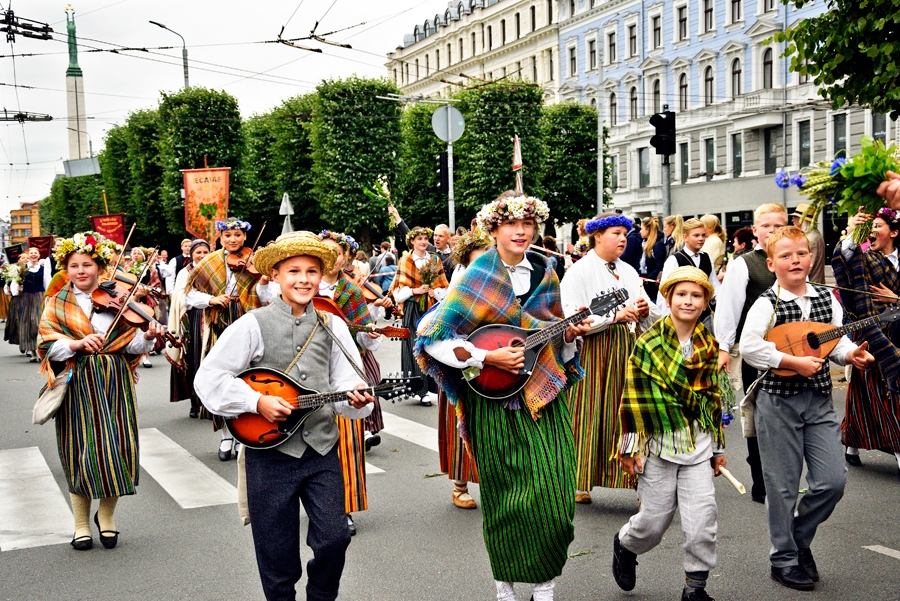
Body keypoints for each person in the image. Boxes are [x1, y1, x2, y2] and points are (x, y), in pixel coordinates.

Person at [417, 191, 591, 601]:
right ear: (493, 229)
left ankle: (545, 583)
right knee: (504, 498)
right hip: (493, 402)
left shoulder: (547, 272)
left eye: (528, 224)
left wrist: (568, 336)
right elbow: (435, 338)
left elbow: (552, 336)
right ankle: (506, 586)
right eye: (512, 224)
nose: (521, 231)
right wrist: (486, 355)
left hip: (544, 398)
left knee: (556, 492)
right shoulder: (477, 275)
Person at [194, 231, 374, 601]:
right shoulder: (252, 324)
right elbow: (208, 378)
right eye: (294, 271)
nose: (304, 279)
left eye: (312, 271)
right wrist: (256, 403)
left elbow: (347, 383)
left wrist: (357, 401)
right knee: (276, 554)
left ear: (322, 275)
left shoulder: (333, 324)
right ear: (275, 275)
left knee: (334, 538)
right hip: (269, 454)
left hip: (321, 450)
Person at [740, 226, 873, 591]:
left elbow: (836, 338)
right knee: (781, 487)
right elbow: (750, 347)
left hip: (817, 400)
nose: (794, 260)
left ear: (811, 258)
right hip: (777, 401)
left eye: (801, 253)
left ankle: (797, 538)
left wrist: (852, 354)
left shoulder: (827, 298)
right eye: (785, 255)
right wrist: (791, 360)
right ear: (772, 263)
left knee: (832, 480)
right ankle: (783, 559)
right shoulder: (767, 302)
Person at [37, 232, 165, 551]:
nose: (81, 271)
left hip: (114, 381)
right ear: (65, 270)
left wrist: (149, 337)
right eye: (74, 265)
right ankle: (81, 523)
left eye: (88, 264)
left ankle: (105, 517)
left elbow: (131, 344)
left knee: (118, 449)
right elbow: (45, 344)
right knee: (79, 450)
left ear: (100, 268)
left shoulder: (118, 300)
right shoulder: (56, 303)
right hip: (77, 381)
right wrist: (76, 344)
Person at [612, 267, 726, 601]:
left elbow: (712, 400)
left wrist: (718, 447)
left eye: (696, 295)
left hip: (699, 449)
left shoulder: (708, 344)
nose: (688, 301)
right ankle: (625, 544)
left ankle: (695, 588)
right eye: (681, 294)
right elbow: (632, 399)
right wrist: (630, 448)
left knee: (702, 520)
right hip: (658, 447)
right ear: (668, 298)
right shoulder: (647, 344)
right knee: (652, 523)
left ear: (705, 303)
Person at [561, 213, 660, 502]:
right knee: (590, 413)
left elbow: (651, 310)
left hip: (630, 348)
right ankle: (580, 479)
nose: (622, 238)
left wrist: (644, 311)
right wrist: (613, 317)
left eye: (624, 234)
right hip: (595, 352)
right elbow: (573, 318)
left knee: (631, 414)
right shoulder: (579, 273)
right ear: (597, 236)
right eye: (616, 233)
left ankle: (638, 483)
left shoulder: (628, 271)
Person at [714, 203, 787, 503]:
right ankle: (761, 480)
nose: (772, 230)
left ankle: (783, 476)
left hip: (790, 348)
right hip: (754, 350)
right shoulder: (745, 263)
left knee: (785, 415)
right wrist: (723, 345)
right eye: (766, 226)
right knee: (758, 415)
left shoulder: (791, 259)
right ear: (755, 230)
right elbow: (729, 307)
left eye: (779, 225)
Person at [186, 217, 274, 460]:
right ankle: (226, 436)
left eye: (237, 235)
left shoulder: (255, 261)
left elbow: (266, 297)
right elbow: (188, 294)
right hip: (220, 325)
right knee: (221, 379)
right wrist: (211, 300)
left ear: (245, 237)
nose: (233, 240)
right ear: (220, 238)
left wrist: (264, 281)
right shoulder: (210, 261)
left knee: (251, 380)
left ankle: (247, 434)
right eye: (228, 236)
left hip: (251, 322)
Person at [318, 230, 383, 535]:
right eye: (326, 251)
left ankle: (343, 507)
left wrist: (369, 335)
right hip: (307, 372)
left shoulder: (353, 292)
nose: (333, 257)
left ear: (345, 257)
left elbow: (364, 339)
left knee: (348, 444)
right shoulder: (305, 284)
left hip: (343, 370)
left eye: (338, 252)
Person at [832, 208, 900, 478]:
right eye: (869, 227)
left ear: (894, 232)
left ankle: (850, 441)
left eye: (878, 226)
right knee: (884, 392)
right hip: (872, 334)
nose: (872, 232)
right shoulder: (866, 256)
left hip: (899, 333)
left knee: (863, 395)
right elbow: (844, 257)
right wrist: (855, 230)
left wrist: (896, 300)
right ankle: (897, 447)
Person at [430, 228, 492, 509]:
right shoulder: (459, 289)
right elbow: (437, 329)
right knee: (461, 420)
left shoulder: (497, 282)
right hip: (461, 362)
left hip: (492, 359)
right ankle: (459, 484)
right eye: (476, 261)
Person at [387, 225, 449, 405]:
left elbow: (444, 288)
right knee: (413, 346)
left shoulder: (435, 260)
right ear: (412, 241)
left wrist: (434, 293)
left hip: (430, 308)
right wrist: (416, 290)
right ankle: (419, 389)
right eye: (419, 239)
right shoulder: (405, 261)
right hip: (412, 309)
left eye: (425, 238)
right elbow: (397, 294)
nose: (423, 242)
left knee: (432, 345)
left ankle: (434, 387)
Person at [166, 239, 211, 417]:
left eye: (205, 252)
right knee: (193, 360)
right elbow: (179, 296)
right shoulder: (185, 272)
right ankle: (194, 401)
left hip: (212, 317)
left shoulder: (215, 269)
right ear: (191, 254)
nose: (201, 256)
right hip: (192, 319)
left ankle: (210, 404)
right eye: (198, 252)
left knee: (210, 360)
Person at [658, 219, 720, 328]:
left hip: (704, 314)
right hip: (682, 314)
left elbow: (714, 286)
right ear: (685, 237)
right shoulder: (674, 259)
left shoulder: (706, 258)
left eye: (703, 235)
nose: (701, 239)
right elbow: (665, 291)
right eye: (696, 235)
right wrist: (667, 318)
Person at [388, 204, 456, 275]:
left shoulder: (455, 255)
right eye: (435, 235)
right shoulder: (428, 248)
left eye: (441, 236)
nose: (437, 239)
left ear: (448, 238)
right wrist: (397, 218)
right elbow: (410, 235)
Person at [17, 247, 51, 361]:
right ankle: (32, 352)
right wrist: (18, 288)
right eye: (31, 253)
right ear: (28, 255)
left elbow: (47, 283)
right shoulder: (22, 269)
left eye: (35, 253)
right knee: (28, 324)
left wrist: (48, 297)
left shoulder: (43, 269)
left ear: (38, 254)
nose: (33, 255)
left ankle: (40, 350)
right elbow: (16, 283)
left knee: (38, 323)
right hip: (26, 297)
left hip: (39, 297)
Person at [791, 203, 826, 284]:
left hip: (811, 285)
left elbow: (807, 267)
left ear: (801, 220)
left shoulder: (810, 239)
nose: (792, 220)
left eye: (794, 217)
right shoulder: (813, 235)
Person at [639, 217, 666, 300]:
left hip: (653, 286)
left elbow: (659, 266)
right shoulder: (645, 244)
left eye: (642, 228)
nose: (640, 231)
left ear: (647, 230)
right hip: (646, 283)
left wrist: (648, 278)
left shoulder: (658, 245)